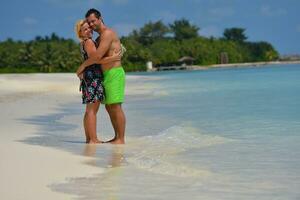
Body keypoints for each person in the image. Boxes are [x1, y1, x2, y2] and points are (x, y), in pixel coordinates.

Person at [77, 8, 126, 144]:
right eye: (89, 23)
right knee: (109, 107)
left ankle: (121, 138)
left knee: (115, 106)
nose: (91, 25)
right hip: (104, 75)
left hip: (114, 73)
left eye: (93, 21)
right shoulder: (97, 39)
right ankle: (116, 137)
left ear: (100, 18)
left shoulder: (107, 33)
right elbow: (96, 57)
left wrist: (82, 67)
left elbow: (97, 57)